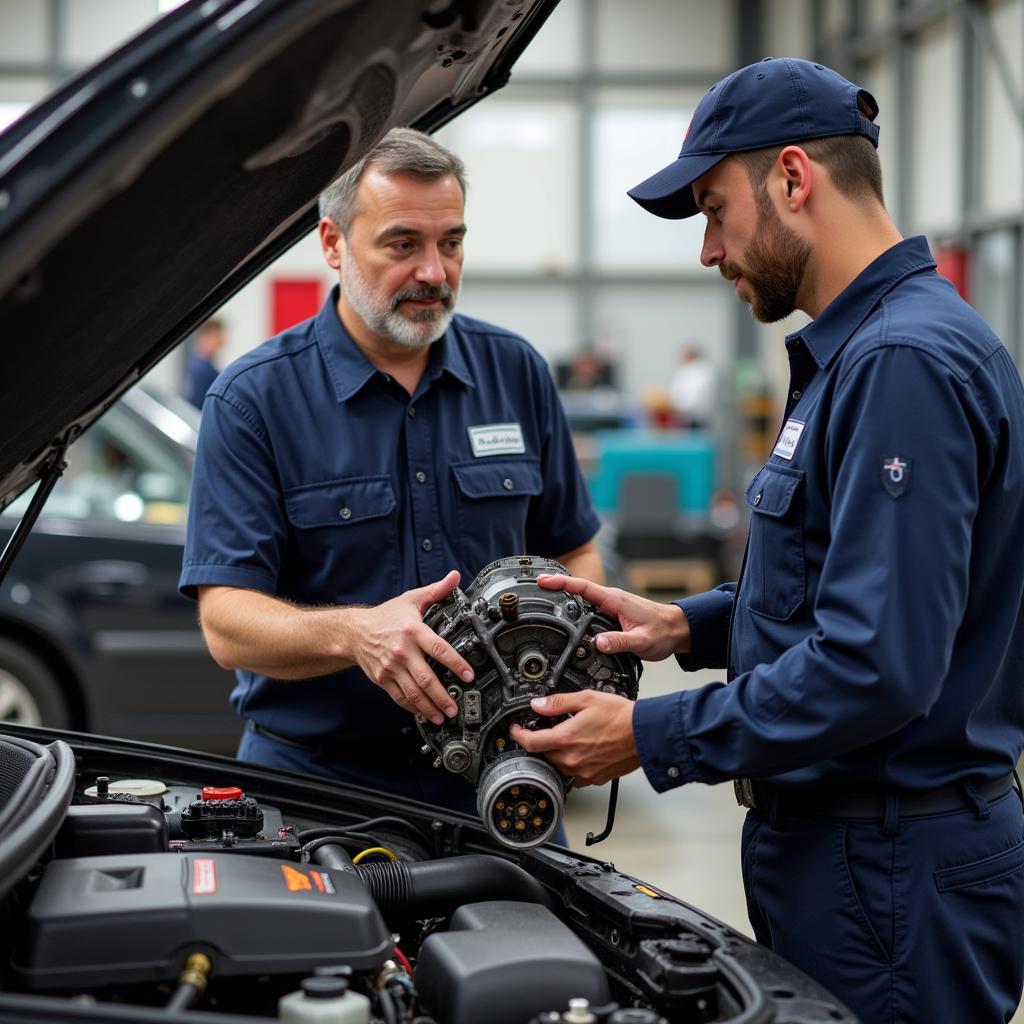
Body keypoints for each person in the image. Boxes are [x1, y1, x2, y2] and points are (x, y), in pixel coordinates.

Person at [509, 58, 1024, 1023]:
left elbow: (877, 664)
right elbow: (839, 589)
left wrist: (649, 735)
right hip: (861, 860)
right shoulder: (867, 352)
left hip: (888, 872)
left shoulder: (899, 365)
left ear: (793, 179)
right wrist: (683, 626)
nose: (708, 249)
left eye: (714, 209)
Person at [179, 129, 602, 818]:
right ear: (333, 243)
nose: (435, 272)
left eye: (452, 243)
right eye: (403, 244)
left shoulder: (515, 372)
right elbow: (228, 624)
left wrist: (579, 663)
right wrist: (355, 633)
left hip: (501, 780)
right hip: (315, 790)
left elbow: (576, 548)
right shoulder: (254, 400)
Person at [667, 345, 715, 430]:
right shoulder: (695, 371)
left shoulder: (697, 372)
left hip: (693, 417)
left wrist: (676, 405)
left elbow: (693, 397)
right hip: (689, 415)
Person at [181, 318, 226, 408]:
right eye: (217, 335)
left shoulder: (199, 366)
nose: (222, 340)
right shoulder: (201, 370)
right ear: (205, 337)